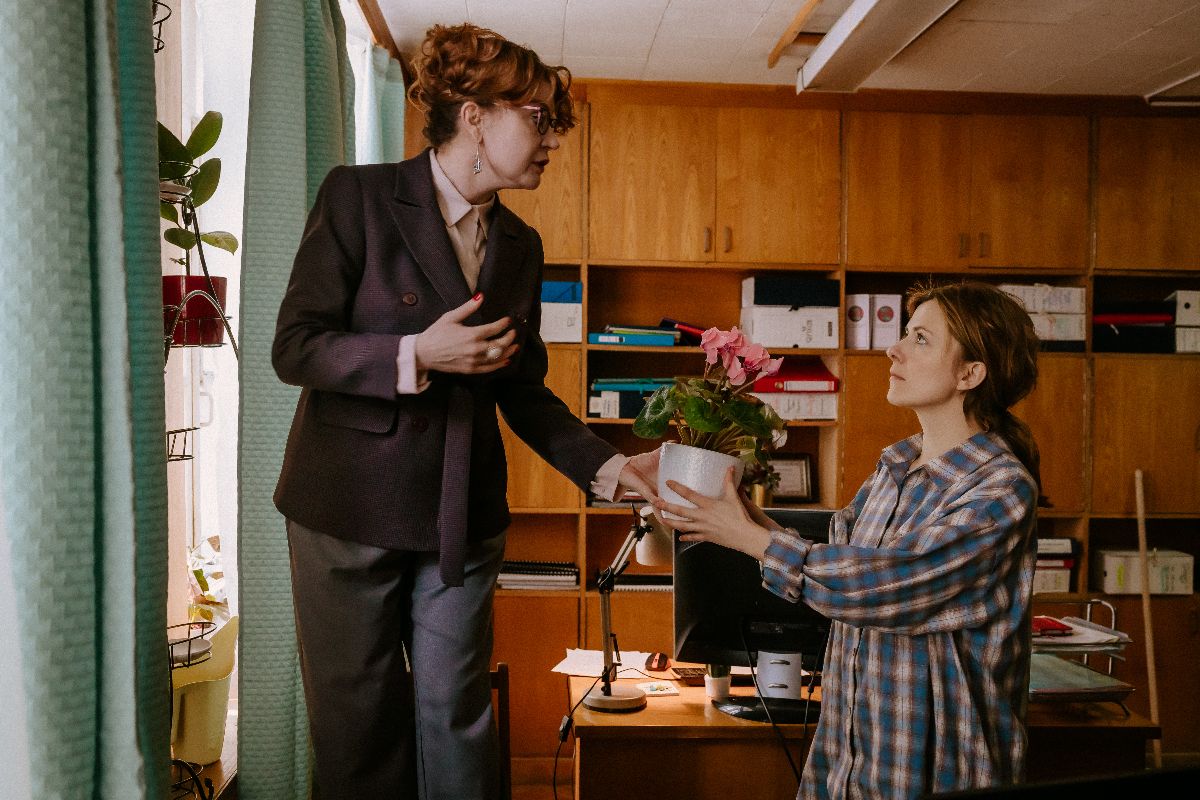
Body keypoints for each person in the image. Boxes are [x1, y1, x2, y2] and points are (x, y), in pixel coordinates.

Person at [272, 23, 658, 800]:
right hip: (346, 509)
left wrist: (611, 468)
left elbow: (523, 388)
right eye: (540, 119)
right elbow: (297, 347)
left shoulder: (521, 245)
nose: (553, 140)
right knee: (359, 730)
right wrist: (416, 353)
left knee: (458, 719)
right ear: (476, 116)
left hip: (461, 513)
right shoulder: (358, 197)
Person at [657, 282, 1041, 799]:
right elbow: (839, 559)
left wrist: (750, 538)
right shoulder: (896, 464)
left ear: (970, 374)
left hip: (937, 772)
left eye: (921, 339)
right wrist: (735, 510)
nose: (894, 350)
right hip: (849, 766)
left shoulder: (1001, 490)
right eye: (905, 333)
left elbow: (887, 586)